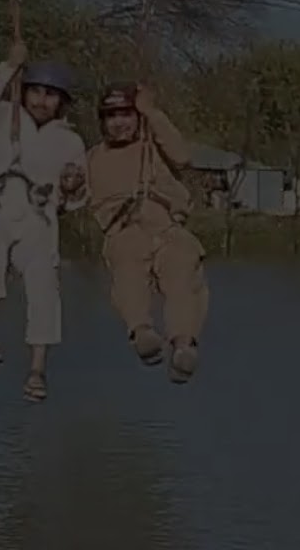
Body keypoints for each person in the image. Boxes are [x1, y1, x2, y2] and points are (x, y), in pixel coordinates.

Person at [87, 81, 209, 384]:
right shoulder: (91, 158)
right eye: (112, 116)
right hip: (124, 229)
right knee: (128, 272)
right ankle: (141, 331)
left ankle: (183, 344)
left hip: (168, 226)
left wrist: (152, 112)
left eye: (126, 114)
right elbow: (67, 194)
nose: (119, 123)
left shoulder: (156, 147)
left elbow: (183, 157)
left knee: (183, 270)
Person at [0, 42, 88, 402]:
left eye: (51, 95)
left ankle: (37, 369)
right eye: (35, 91)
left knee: (44, 288)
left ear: (61, 102)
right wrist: (9, 65)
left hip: (39, 216)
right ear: (23, 90)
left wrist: (72, 188)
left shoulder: (70, 141)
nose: (41, 100)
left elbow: (77, 198)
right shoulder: (2, 114)